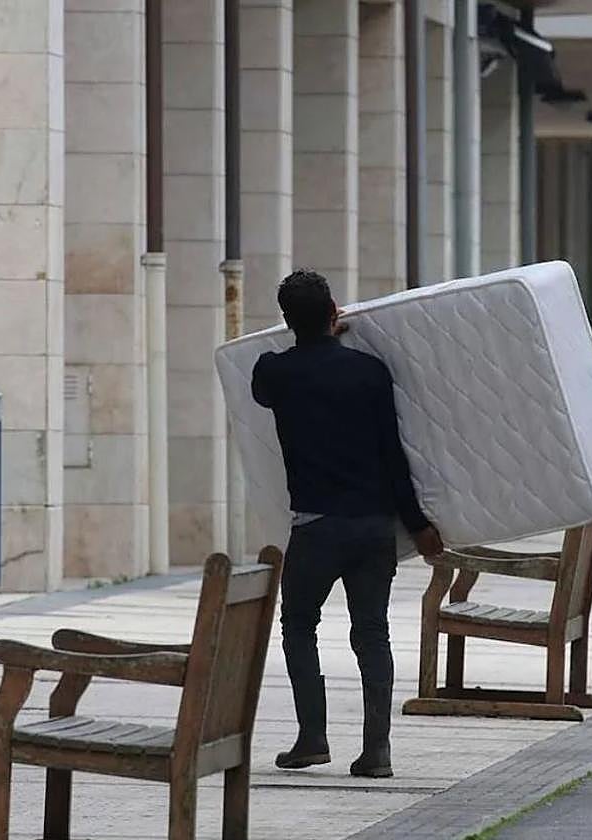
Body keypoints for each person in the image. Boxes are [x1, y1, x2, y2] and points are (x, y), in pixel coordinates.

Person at [251, 269, 444, 780]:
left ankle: (312, 737)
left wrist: (310, 337)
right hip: (373, 526)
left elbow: (262, 385)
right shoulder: (370, 372)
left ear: (287, 320)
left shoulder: (275, 373)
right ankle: (377, 750)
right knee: (372, 631)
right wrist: (418, 524)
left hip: (315, 528)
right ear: (335, 310)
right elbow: (393, 453)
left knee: (298, 627)